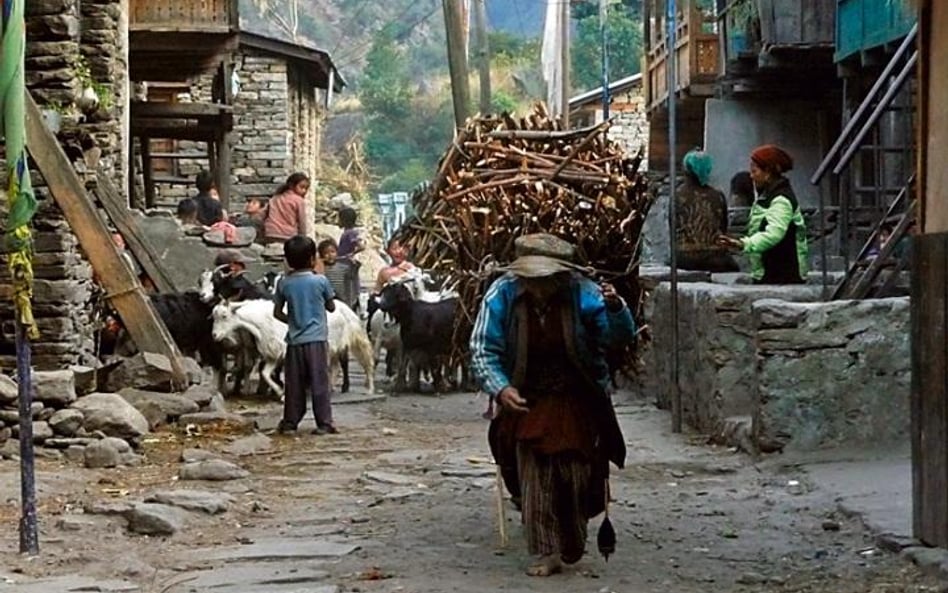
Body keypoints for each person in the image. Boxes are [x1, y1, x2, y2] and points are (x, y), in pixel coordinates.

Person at [469, 233, 636, 577]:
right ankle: (545, 550)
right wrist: (501, 389)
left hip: (578, 396)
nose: (540, 288)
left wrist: (617, 310)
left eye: (547, 280)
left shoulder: (586, 294)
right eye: (532, 280)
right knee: (534, 476)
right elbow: (483, 347)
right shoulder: (502, 294)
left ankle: (572, 537)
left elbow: (617, 338)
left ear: (562, 275)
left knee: (576, 473)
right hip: (527, 398)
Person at [273, 235, 338, 435]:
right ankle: (324, 423)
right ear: (312, 259)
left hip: (294, 341)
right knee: (319, 383)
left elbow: (277, 312)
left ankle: (291, 422)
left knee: (293, 384)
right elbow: (332, 307)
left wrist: (292, 321)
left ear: (288, 260)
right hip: (317, 340)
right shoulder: (320, 281)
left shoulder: (284, 283)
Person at [716, 144, 808, 284]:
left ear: (768, 172)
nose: (751, 176)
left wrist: (744, 244)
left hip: (784, 275)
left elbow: (773, 233)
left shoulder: (781, 200)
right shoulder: (766, 196)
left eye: (755, 171)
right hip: (771, 273)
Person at [675, 149, 739, 273]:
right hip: (715, 259)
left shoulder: (677, 195)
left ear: (686, 170)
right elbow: (723, 227)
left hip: (684, 259)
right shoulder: (717, 195)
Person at [264, 173, 312, 245]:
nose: (304, 191)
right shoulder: (298, 200)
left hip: (270, 232)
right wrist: (303, 238)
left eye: (306, 188)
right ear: (292, 186)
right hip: (287, 234)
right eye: (302, 187)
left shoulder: (275, 198)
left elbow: (264, 214)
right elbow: (302, 221)